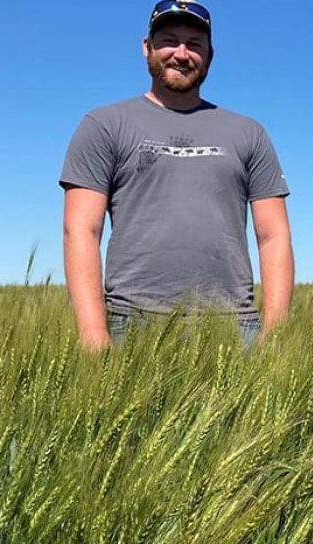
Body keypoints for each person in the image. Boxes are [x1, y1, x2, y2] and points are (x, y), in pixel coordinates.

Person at [59, 0, 294, 352]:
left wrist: (274, 335)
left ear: (209, 55)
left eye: (195, 44)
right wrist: (93, 334)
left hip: (234, 324)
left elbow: (273, 235)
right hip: (131, 321)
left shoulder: (249, 132)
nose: (181, 53)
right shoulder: (103, 125)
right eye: (169, 40)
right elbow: (80, 230)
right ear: (146, 47)